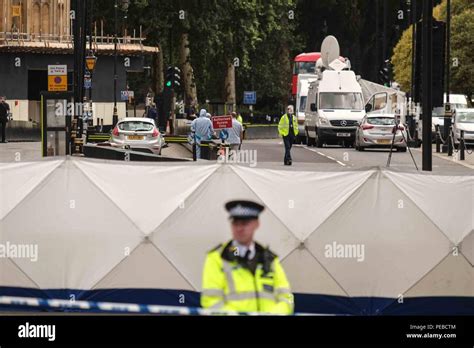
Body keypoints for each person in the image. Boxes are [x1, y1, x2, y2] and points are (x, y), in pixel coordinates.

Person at [201, 200, 294, 314]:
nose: (239, 228)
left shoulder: (269, 259)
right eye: (235, 223)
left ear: (256, 224)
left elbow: (287, 297)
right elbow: (211, 302)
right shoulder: (217, 258)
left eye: (244, 223)